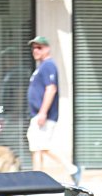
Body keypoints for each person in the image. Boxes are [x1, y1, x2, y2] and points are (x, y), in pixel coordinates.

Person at [27, 35, 79, 182]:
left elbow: (51, 89)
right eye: (34, 48)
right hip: (37, 114)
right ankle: (36, 179)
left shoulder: (48, 65)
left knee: (42, 147)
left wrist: (43, 112)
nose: (35, 50)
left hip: (43, 115)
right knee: (37, 148)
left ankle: (72, 169)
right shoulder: (42, 67)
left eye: (39, 47)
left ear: (47, 49)